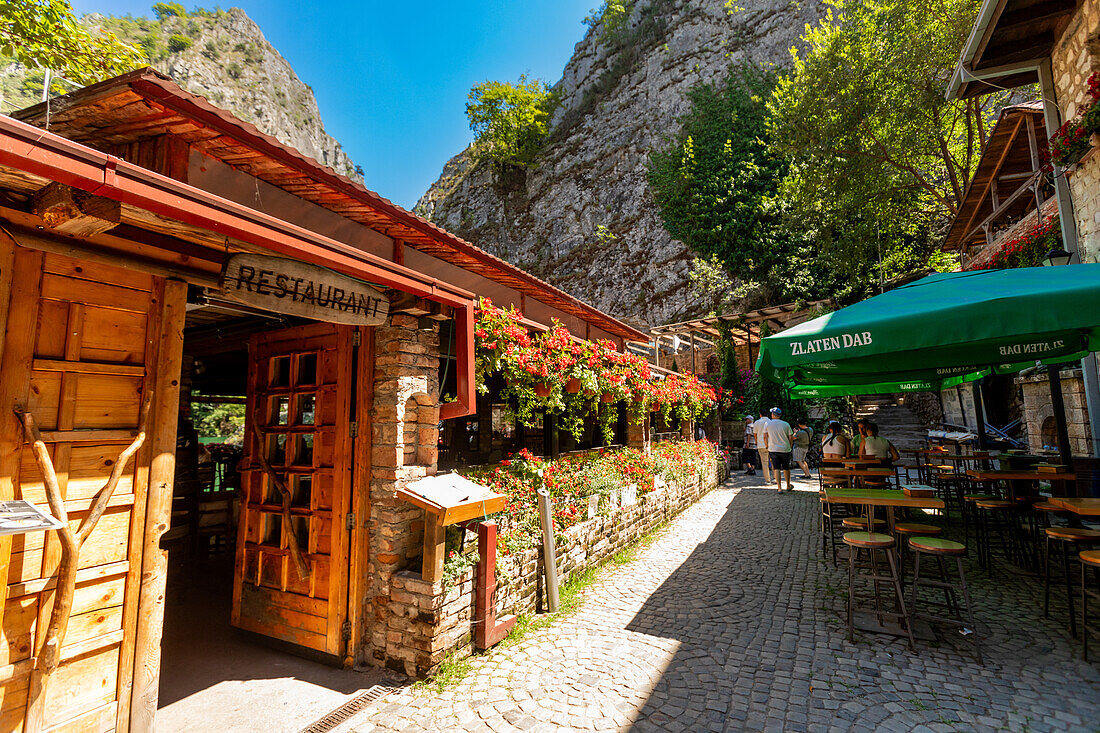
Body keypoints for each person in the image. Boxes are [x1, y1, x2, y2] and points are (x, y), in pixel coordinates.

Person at [763, 407, 795, 492]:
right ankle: (788, 485)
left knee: (776, 468)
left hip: (773, 449)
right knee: (786, 468)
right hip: (785, 449)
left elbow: (765, 436)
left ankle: (779, 488)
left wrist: (766, 445)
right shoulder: (786, 424)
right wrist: (790, 445)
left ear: (773, 414)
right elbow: (790, 437)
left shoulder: (767, 424)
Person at [752, 410, 772, 483]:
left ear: (760, 414)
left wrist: (756, 442)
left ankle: (768, 480)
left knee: (764, 463)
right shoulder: (771, 422)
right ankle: (776, 478)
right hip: (771, 444)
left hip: (761, 444)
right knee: (773, 462)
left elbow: (755, 434)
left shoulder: (757, 422)